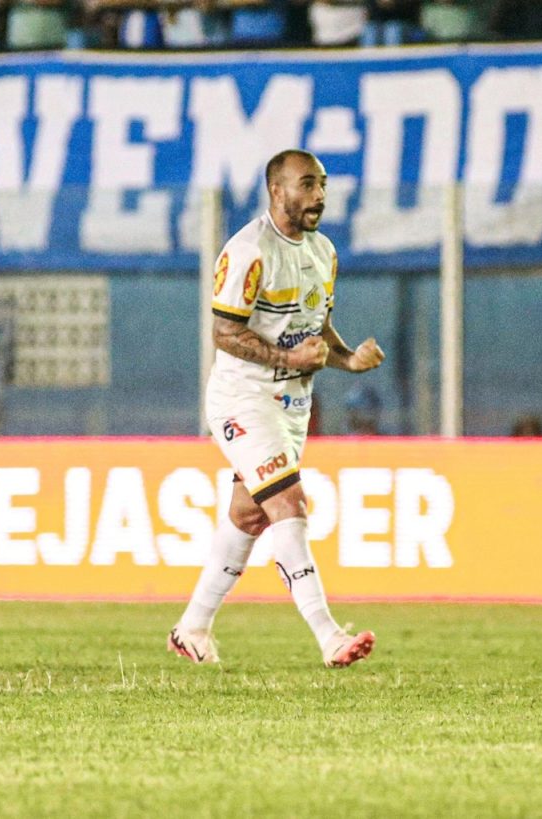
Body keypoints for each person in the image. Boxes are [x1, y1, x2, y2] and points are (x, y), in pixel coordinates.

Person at [168, 148, 385, 668]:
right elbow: (224, 333)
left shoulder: (323, 252)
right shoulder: (248, 251)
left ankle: (192, 627)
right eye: (307, 185)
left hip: (291, 404)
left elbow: (316, 326)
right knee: (289, 504)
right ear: (276, 190)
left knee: (247, 514)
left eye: (323, 185)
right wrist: (289, 356)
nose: (319, 196)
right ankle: (329, 635)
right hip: (242, 398)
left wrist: (347, 359)